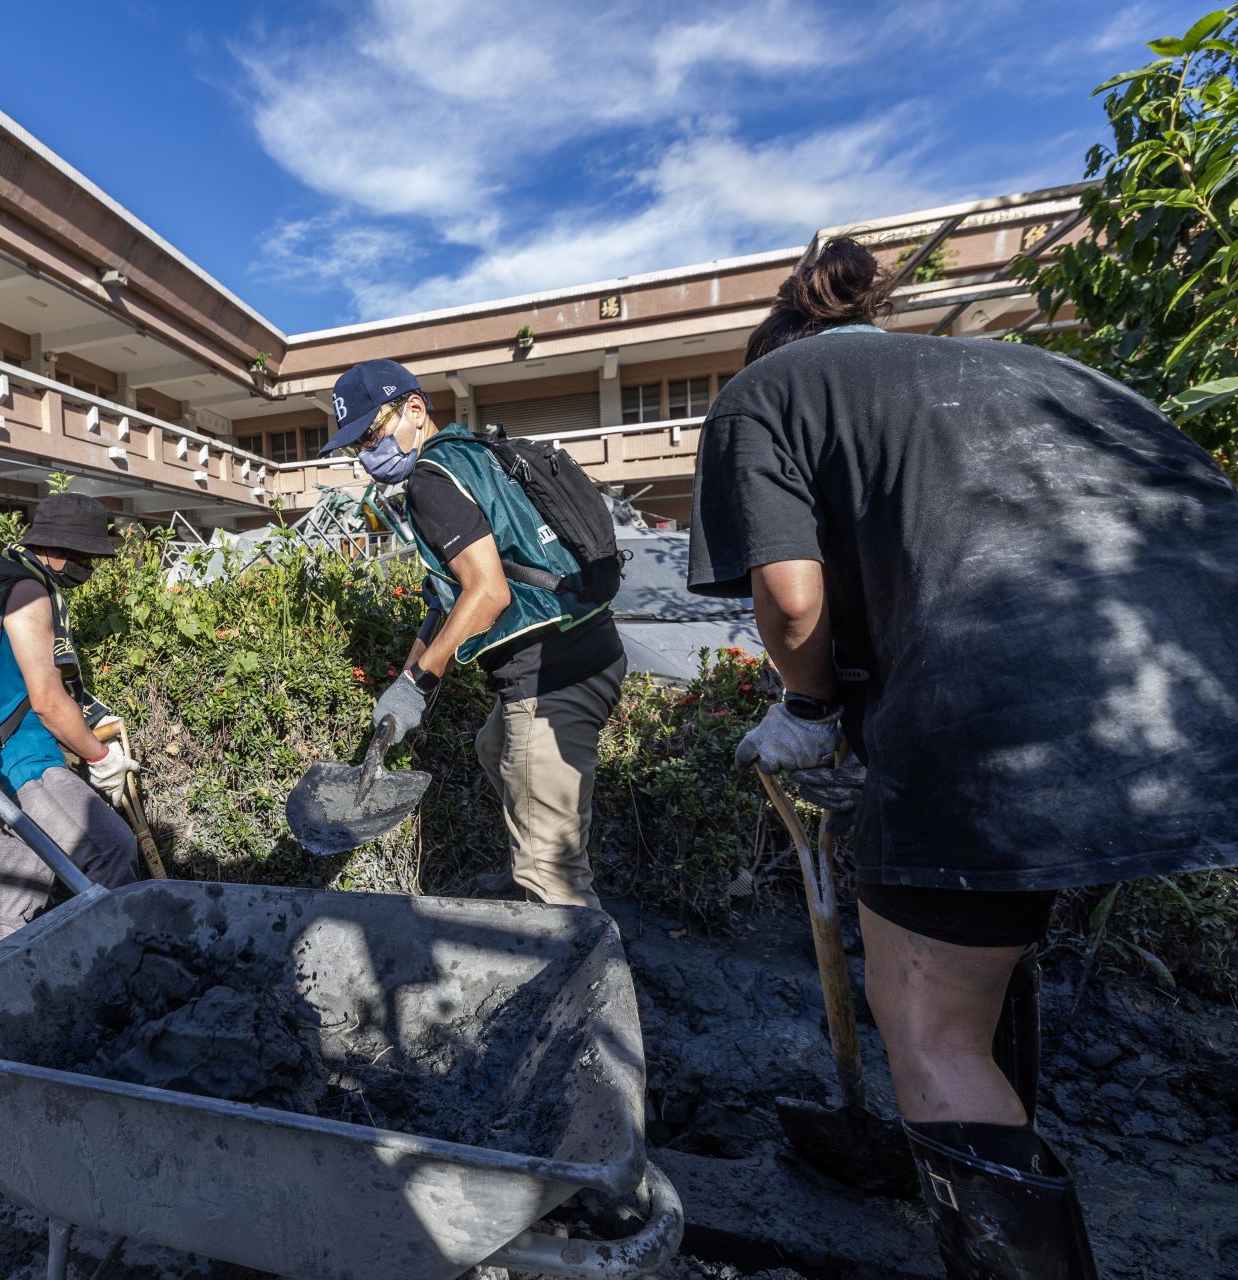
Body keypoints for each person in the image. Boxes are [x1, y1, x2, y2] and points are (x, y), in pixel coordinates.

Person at [687, 236, 1238, 1279]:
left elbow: (793, 600)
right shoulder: (1029, 370)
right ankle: (964, 1125)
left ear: (773, 349)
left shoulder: (765, 393)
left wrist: (810, 708)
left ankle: (967, 1154)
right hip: (1203, 669)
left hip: (996, 697)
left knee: (930, 1024)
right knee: (980, 936)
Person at [317, 360, 627, 907]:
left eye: (372, 433)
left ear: (415, 409)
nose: (366, 453)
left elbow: (487, 594)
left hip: (552, 676)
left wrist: (420, 684)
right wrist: (408, 681)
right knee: (495, 745)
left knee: (556, 879)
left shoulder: (431, 481)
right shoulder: (469, 453)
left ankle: (552, 903)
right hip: (589, 647)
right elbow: (448, 600)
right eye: (356, 445)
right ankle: (526, 862)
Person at [0, 492, 139, 944]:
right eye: (83, 556)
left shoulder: (5, 580)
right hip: (26, 761)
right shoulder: (29, 592)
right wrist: (102, 759)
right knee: (114, 851)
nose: (88, 567)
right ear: (55, 548)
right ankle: (117, 967)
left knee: (10, 913)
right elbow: (47, 700)